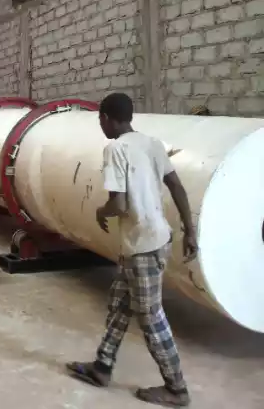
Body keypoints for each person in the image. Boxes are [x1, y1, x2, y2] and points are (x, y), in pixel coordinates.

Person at [65, 92, 199, 408]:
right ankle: (102, 366)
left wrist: (100, 212)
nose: (101, 125)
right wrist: (190, 230)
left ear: (108, 118)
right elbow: (176, 186)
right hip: (154, 239)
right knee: (119, 305)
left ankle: (176, 389)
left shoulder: (115, 148)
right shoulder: (152, 143)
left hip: (142, 246)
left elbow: (119, 203)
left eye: (100, 119)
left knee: (151, 317)